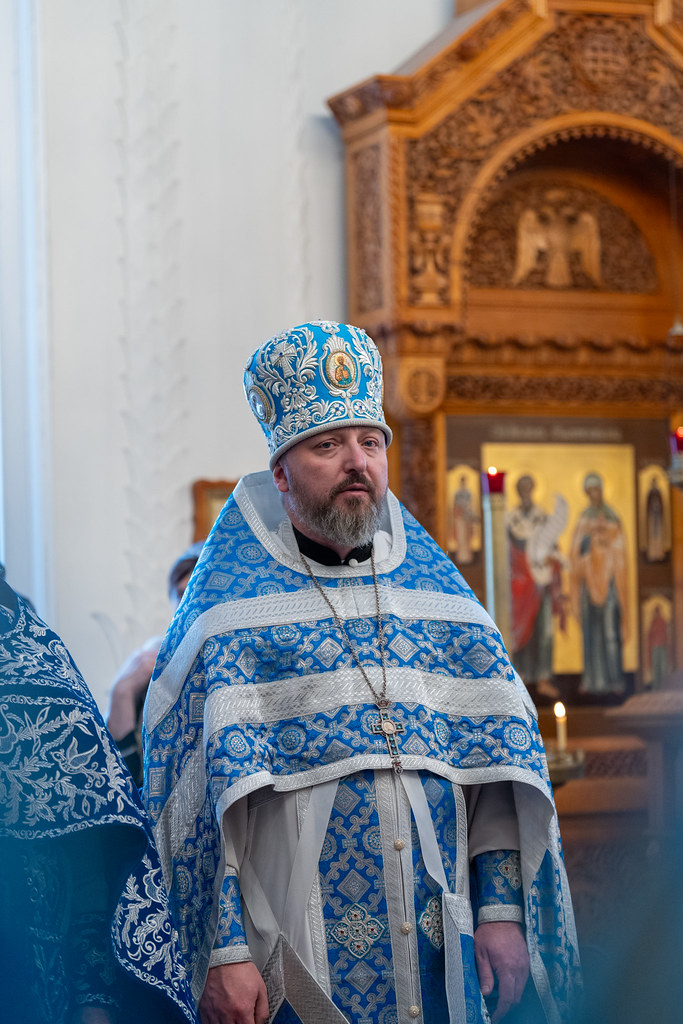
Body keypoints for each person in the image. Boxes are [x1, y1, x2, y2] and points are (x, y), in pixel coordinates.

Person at [143, 321, 581, 1024]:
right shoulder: (227, 615)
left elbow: (497, 772)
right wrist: (222, 953)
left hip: (444, 955)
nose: (357, 462)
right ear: (280, 472)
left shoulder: (439, 601)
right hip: (291, 953)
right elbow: (192, 804)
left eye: (370, 442)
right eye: (328, 445)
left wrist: (500, 913)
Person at [0, 574, 197, 1024]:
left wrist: (96, 997)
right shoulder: (139, 669)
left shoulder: (35, 656)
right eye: (182, 592)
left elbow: (101, 833)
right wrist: (123, 693)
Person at [106, 541, 203, 785]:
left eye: (196, 592)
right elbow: (117, 782)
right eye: (180, 595)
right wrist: (122, 692)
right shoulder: (150, 660)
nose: (187, 605)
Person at [507, 475, 568, 701]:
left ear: (532, 490)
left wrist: (551, 564)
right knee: (521, 630)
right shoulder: (511, 520)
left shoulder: (542, 518)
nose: (525, 493)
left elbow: (552, 548)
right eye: (521, 489)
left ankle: (543, 678)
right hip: (519, 585)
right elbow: (506, 552)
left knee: (544, 630)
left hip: (540, 583)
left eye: (528, 488)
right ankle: (521, 677)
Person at [568, 473, 628, 696]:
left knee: (611, 634)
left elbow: (621, 549)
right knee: (590, 634)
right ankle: (593, 681)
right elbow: (576, 552)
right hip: (589, 582)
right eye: (590, 490)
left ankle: (615, 680)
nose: (595, 494)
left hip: (609, 581)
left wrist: (606, 542)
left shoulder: (613, 517)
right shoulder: (584, 519)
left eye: (597, 489)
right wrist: (591, 541)